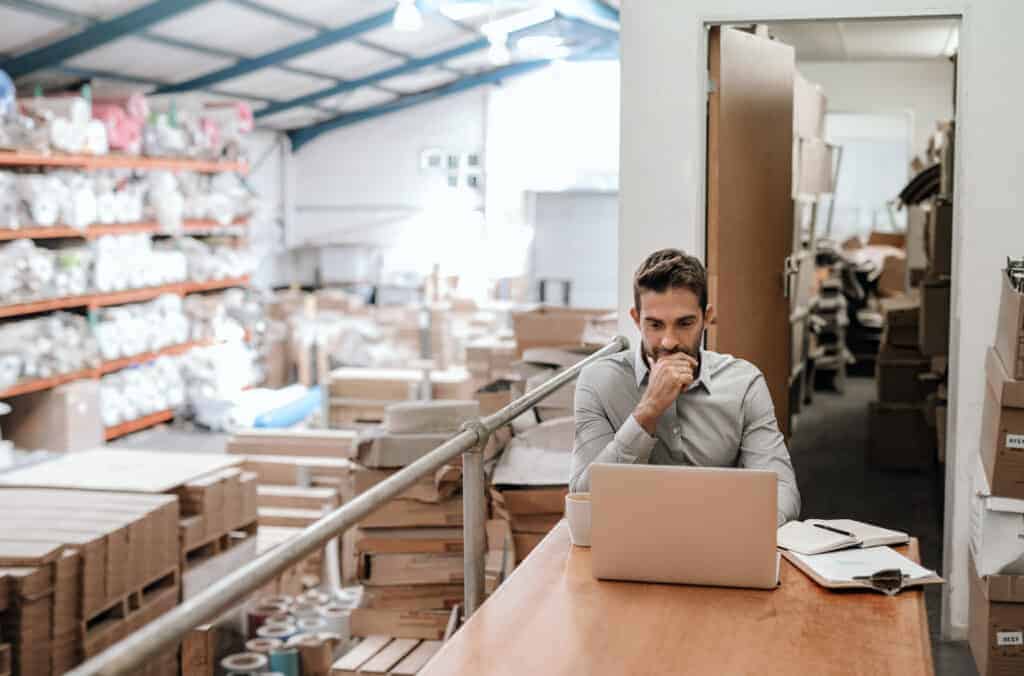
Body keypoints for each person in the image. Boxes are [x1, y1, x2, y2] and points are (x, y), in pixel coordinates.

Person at [569, 248, 800, 526]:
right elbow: (585, 501)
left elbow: (782, 492)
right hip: (632, 539)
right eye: (654, 324)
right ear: (635, 319)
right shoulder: (598, 382)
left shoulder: (744, 383)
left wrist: (740, 530)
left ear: (706, 317)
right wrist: (647, 412)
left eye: (685, 323)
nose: (669, 341)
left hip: (722, 537)